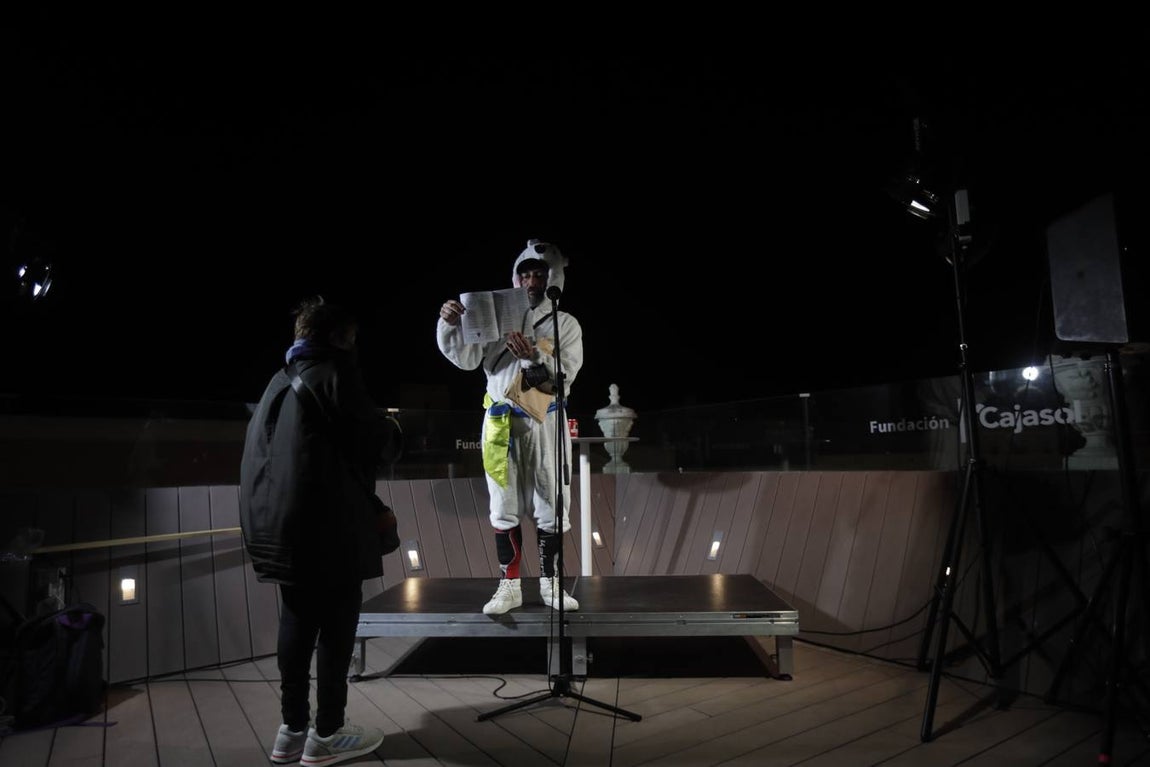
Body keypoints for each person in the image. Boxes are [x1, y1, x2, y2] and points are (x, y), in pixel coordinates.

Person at [239, 296, 387, 766]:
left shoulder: (277, 382)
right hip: (329, 526)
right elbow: (376, 443)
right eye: (352, 337)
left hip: (276, 526)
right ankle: (328, 733)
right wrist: (394, 433)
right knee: (337, 628)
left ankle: (290, 730)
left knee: (297, 620)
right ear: (338, 337)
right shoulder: (336, 375)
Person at [437, 239, 584, 615]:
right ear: (515, 279)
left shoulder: (564, 323)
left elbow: (564, 377)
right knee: (502, 504)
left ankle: (551, 584)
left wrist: (532, 355)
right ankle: (510, 586)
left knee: (551, 501)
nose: (531, 281)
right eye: (525, 274)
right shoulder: (494, 315)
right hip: (500, 419)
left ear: (553, 279)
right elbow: (468, 360)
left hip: (544, 419)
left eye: (539, 274)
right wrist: (450, 323)